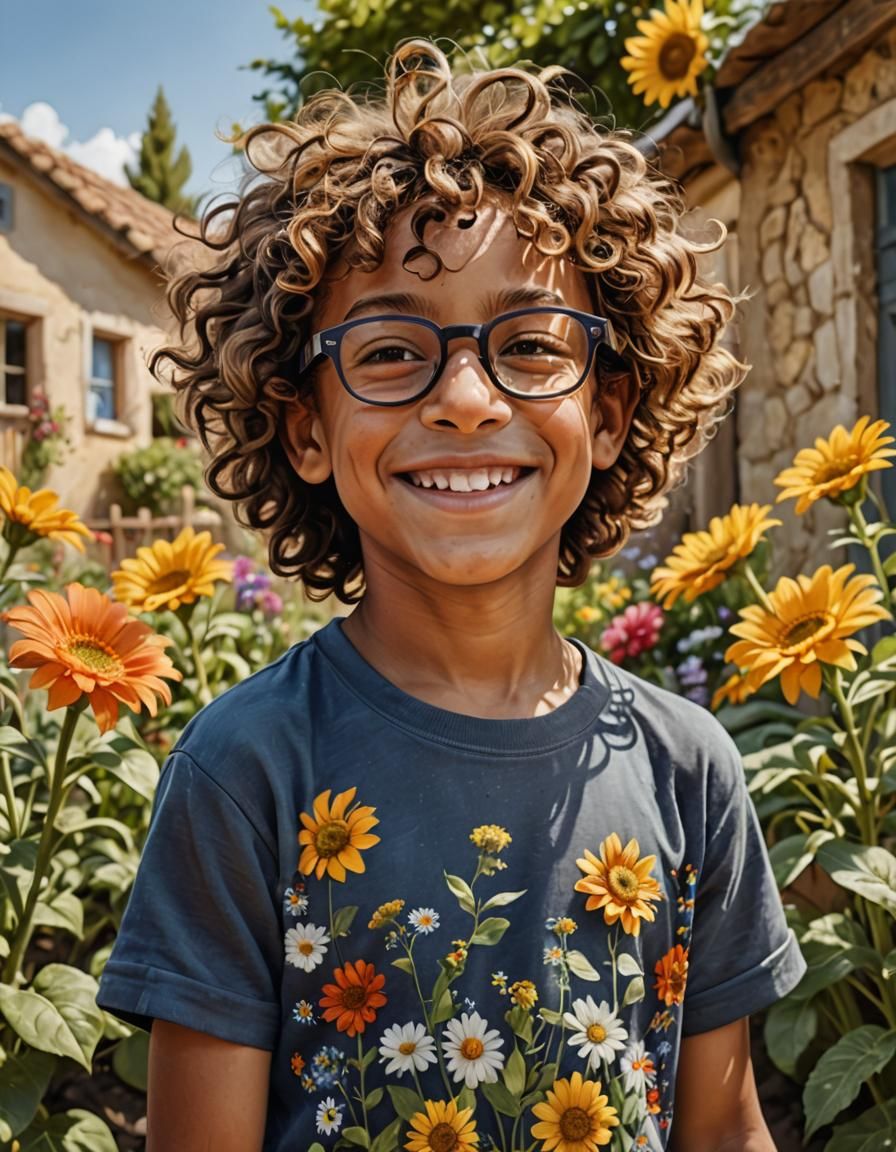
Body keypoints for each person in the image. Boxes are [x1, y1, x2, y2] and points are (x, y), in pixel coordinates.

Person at [95, 38, 807, 1152]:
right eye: (387, 354)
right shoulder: (243, 775)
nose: (467, 400)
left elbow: (721, 1126)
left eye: (529, 345)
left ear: (610, 414)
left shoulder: (689, 770)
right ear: (304, 427)